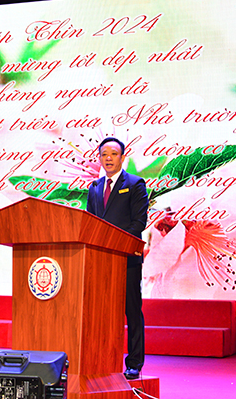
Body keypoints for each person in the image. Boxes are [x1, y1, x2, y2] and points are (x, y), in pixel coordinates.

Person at [85, 136, 148, 380]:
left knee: (132, 311)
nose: (108, 158)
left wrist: (114, 243)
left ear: (122, 157)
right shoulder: (94, 187)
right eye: (104, 155)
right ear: (99, 158)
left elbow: (138, 223)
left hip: (126, 259)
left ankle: (134, 363)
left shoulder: (135, 184)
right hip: (101, 261)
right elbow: (91, 223)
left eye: (113, 154)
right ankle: (101, 359)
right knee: (101, 313)